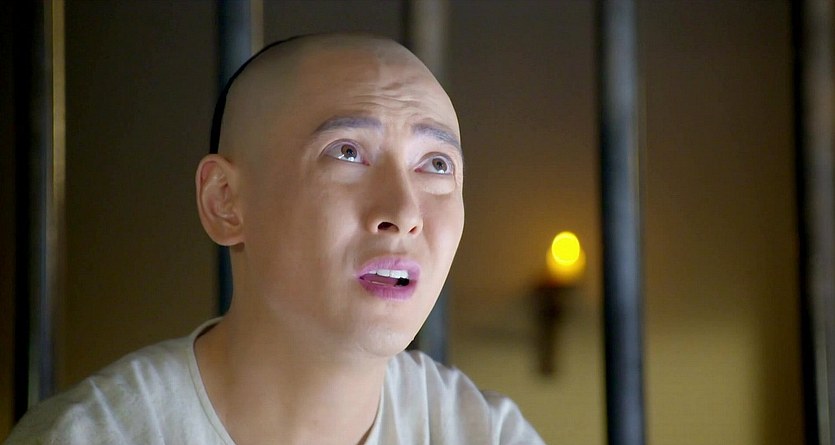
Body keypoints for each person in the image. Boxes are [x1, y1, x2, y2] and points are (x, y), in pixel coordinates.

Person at [6, 33, 544, 444]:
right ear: (225, 201)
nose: (403, 213)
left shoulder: (485, 434)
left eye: (436, 164)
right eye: (347, 152)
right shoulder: (93, 435)